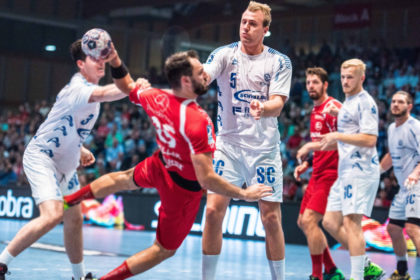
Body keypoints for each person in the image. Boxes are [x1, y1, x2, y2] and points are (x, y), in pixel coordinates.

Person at [62, 50, 273, 280]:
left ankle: (67, 202)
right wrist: (243, 193)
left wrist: (115, 60)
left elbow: (126, 85)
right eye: (200, 72)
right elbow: (206, 179)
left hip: (160, 164)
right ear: (185, 81)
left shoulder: (155, 96)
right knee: (163, 250)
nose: (205, 75)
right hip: (181, 192)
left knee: (121, 178)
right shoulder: (198, 121)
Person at [0, 37, 147, 280]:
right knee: (53, 214)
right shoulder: (78, 88)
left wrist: (80, 148)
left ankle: (78, 277)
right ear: (81, 64)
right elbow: (112, 91)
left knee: (74, 219)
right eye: (94, 58)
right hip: (42, 158)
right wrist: (132, 84)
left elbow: (63, 124)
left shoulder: (84, 91)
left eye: (102, 57)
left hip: (65, 163)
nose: (100, 62)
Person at [201, 1, 291, 279]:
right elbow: (207, 73)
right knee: (214, 212)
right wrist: (198, 77)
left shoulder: (279, 61)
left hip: (263, 151)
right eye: (243, 22)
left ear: (266, 29)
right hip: (227, 147)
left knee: (271, 219)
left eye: (253, 24)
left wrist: (263, 108)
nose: (246, 28)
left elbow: (278, 103)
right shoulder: (225, 54)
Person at [320, 59, 385, 280]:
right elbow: (353, 124)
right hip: (345, 171)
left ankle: (357, 276)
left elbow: (369, 139)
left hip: (361, 170)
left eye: (350, 78)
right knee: (329, 221)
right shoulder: (348, 102)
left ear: (361, 78)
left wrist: (337, 135)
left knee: (351, 223)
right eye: (343, 77)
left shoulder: (366, 102)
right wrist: (339, 114)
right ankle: (366, 266)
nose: (345, 81)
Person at [294, 67, 344, 280]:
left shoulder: (333, 107)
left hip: (332, 175)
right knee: (301, 222)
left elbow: (344, 141)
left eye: (315, 82)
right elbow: (323, 142)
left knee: (310, 222)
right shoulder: (315, 109)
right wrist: (309, 162)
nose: (311, 86)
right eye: (308, 83)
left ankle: (318, 275)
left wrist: (310, 148)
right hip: (317, 173)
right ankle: (332, 270)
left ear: (325, 85)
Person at [380, 91, 420, 280]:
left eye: (401, 102)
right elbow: (390, 155)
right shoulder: (391, 129)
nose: (396, 104)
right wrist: (376, 171)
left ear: (409, 106)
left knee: (412, 229)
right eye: (393, 101)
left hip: (418, 185)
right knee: (393, 229)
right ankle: (402, 272)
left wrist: (415, 173)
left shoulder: (415, 127)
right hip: (404, 189)